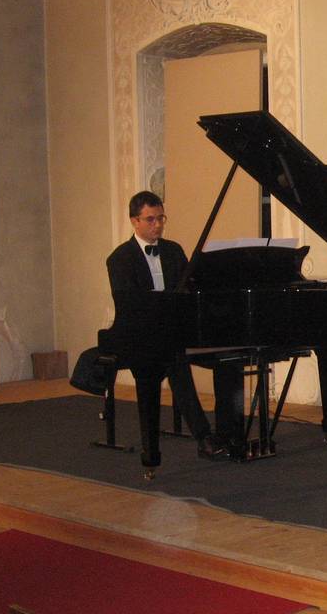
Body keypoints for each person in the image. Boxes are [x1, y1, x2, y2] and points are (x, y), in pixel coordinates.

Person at [107, 191, 244, 468]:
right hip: (140, 335)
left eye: (161, 218)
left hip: (176, 330)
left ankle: (229, 434)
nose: (157, 225)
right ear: (134, 221)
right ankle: (203, 438)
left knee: (230, 357)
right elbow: (129, 306)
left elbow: (189, 293)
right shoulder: (119, 259)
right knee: (175, 360)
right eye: (150, 219)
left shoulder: (173, 250)